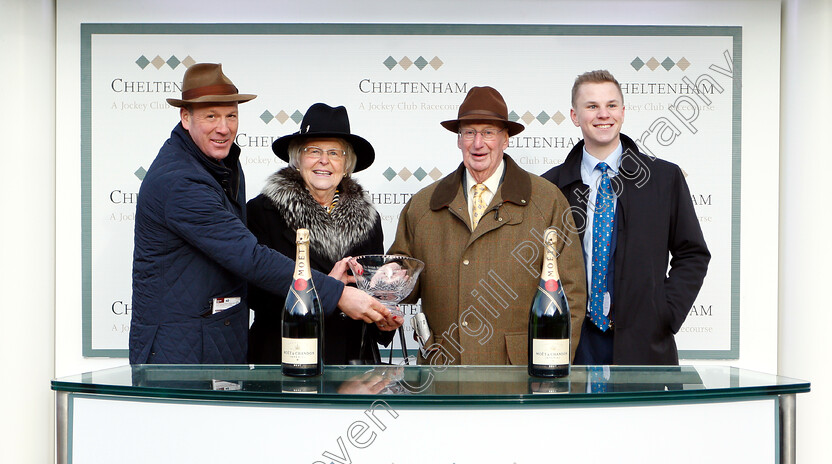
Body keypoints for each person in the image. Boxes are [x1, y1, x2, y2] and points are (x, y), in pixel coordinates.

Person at [130, 63, 390, 365]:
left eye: (231, 115)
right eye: (211, 116)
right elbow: (250, 260)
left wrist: (381, 310)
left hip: (220, 345)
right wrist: (336, 293)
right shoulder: (183, 181)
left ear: (348, 163)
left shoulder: (221, 165)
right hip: (188, 350)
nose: (223, 127)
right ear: (185, 117)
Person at [389, 86, 587, 366]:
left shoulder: (547, 200)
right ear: (459, 140)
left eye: (488, 132)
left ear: (505, 139)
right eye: (469, 132)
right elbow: (403, 284)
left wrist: (552, 364)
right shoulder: (422, 205)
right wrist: (388, 279)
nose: (477, 143)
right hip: (443, 373)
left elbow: (572, 294)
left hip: (519, 377)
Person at [542, 70, 710, 365]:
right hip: (573, 342)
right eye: (591, 106)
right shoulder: (550, 187)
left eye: (611, 105)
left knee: (641, 413)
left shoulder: (663, 178)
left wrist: (665, 312)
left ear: (623, 111)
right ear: (574, 115)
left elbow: (692, 253)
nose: (603, 114)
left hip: (644, 341)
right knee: (573, 413)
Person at [246, 103, 399, 365]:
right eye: (313, 151)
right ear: (297, 157)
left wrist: (383, 318)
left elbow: (371, 289)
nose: (324, 161)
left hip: (351, 363)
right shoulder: (262, 211)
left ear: (347, 163)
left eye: (334, 153)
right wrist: (324, 293)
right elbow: (253, 293)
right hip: (283, 356)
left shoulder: (369, 219)